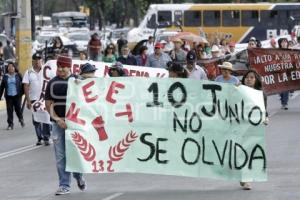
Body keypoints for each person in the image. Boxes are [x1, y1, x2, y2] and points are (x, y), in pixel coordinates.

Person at [45, 55, 86, 195]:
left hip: (75, 124)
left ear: (69, 67)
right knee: (61, 156)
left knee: (75, 153)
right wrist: (58, 120)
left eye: (63, 66)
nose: (61, 69)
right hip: (58, 124)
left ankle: (78, 175)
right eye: (59, 66)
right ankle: (64, 185)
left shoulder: (78, 81)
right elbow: (49, 105)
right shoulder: (52, 83)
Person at [240, 69, 269, 190]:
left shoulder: (261, 94)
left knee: (250, 152)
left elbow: (264, 111)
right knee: (240, 152)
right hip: (239, 127)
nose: (249, 79)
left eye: (252, 77)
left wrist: (266, 118)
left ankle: (247, 179)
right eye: (247, 77)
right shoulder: (239, 92)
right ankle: (242, 176)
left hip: (253, 128)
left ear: (256, 80)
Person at [23, 53, 51, 146]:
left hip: (45, 98)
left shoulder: (46, 71)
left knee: (46, 118)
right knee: (36, 119)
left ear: (41, 60)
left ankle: (46, 137)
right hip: (34, 99)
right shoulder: (29, 72)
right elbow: (26, 86)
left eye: (39, 59)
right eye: (36, 59)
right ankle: (39, 138)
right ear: (33, 61)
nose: (38, 61)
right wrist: (27, 100)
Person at [0, 61, 25, 130]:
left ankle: (21, 118)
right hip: (8, 96)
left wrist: (23, 93)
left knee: (18, 109)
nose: (10, 68)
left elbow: (24, 84)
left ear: (14, 68)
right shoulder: (5, 76)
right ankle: (10, 124)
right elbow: (2, 87)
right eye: (9, 67)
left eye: (12, 67)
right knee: (9, 110)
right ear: (7, 68)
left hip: (17, 95)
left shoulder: (18, 75)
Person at [278, 38, 290, 110]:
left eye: (286, 42)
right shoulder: (276, 52)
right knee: (280, 89)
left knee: (286, 88)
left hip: (288, 72)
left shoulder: (291, 51)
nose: (284, 43)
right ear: (280, 44)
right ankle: (282, 99)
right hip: (279, 73)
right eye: (283, 42)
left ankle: (284, 103)